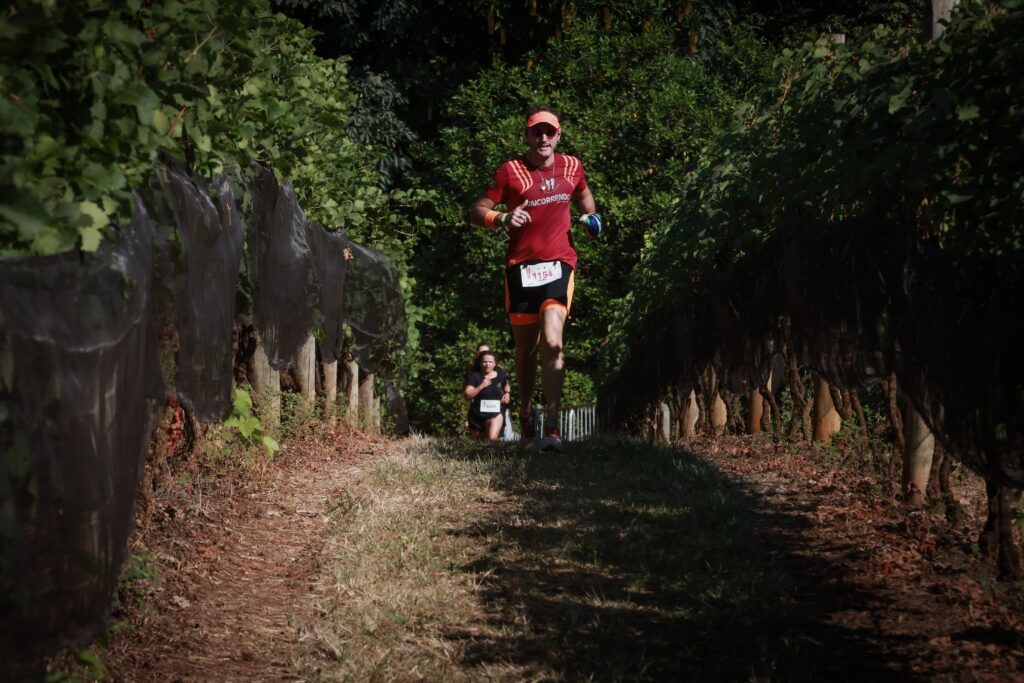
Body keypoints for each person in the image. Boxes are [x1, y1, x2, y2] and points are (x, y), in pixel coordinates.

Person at [469, 105, 602, 452]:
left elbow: (585, 196)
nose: (543, 138)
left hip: (560, 263)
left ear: (559, 134)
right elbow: (477, 210)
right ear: (527, 135)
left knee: (553, 338)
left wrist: (592, 218)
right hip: (521, 269)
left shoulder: (572, 166)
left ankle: (553, 429)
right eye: (536, 132)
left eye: (550, 132)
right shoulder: (510, 171)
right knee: (526, 351)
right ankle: (527, 414)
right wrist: (501, 218)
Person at [464, 350, 511, 441]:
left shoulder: (501, 374)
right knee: (478, 444)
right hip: (477, 414)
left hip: (496, 412)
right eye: (484, 362)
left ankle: (492, 454)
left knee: (492, 439)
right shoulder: (475, 376)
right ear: (480, 363)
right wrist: (481, 386)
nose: (487, 364)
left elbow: (506, 386)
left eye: (490, 362)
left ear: (494, 364)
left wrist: (507, 394)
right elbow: (467, 395)